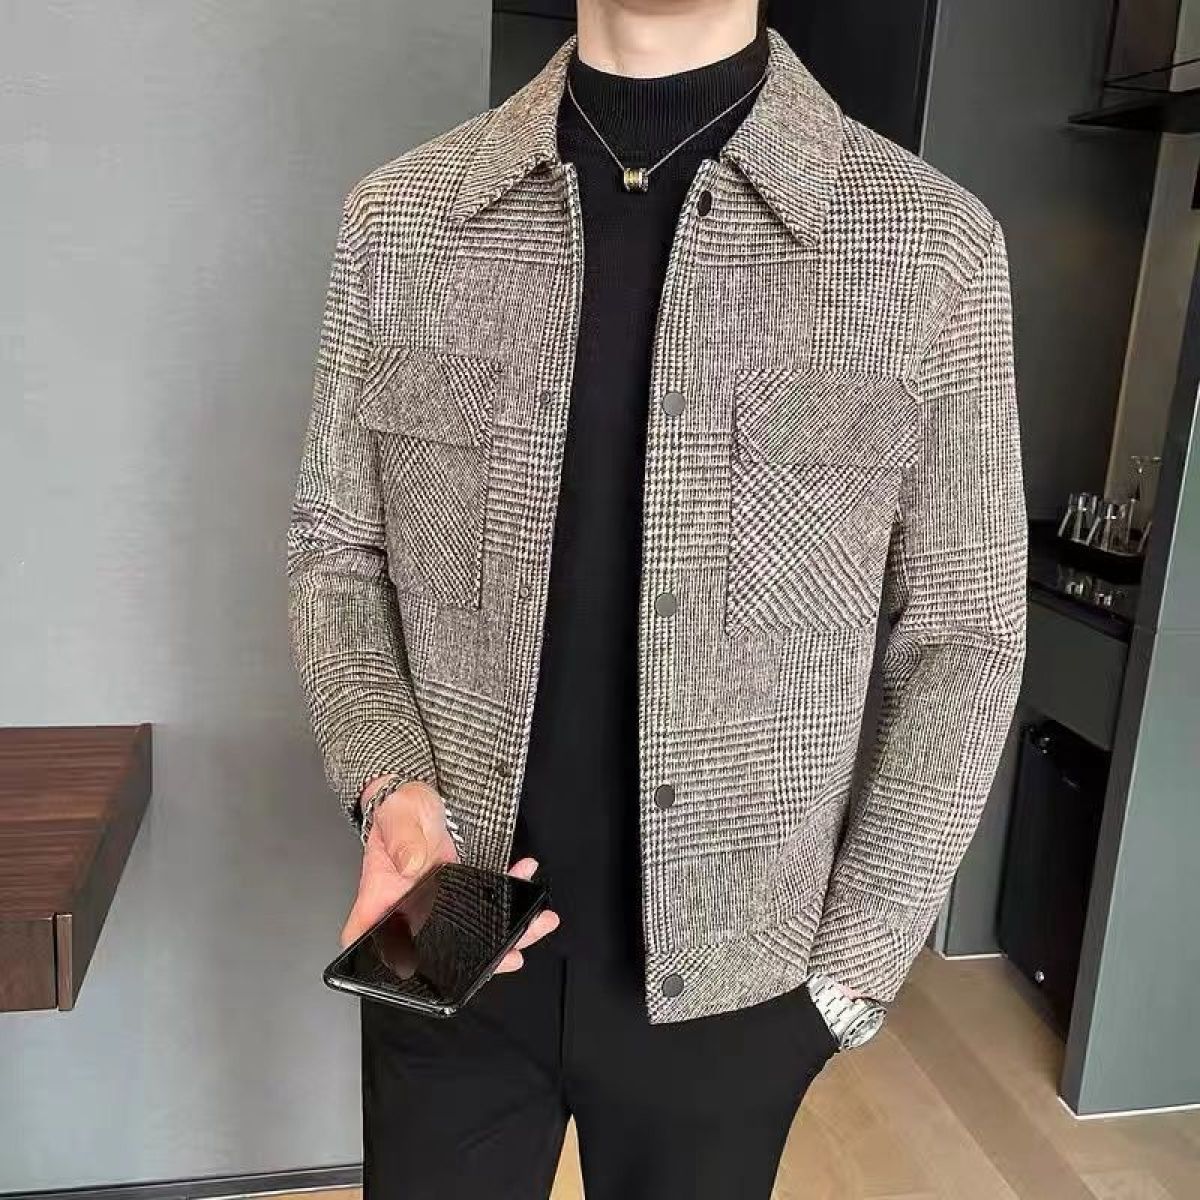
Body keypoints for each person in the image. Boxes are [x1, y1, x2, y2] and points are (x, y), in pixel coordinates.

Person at [286, 0, 1028, 1195]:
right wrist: (390, 784)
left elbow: (965, 636)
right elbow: (337, 552)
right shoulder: (403, 219)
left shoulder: (929, 245)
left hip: (738, 989)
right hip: (447, 926)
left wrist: (848, 977)